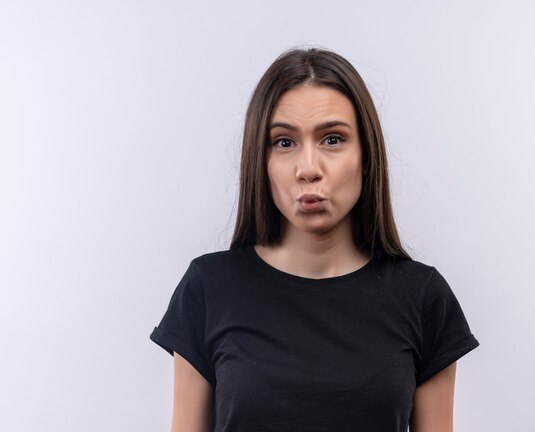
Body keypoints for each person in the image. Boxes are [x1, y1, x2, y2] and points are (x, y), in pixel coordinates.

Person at [150, 47, 479, 432]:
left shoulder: (422, 296)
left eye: (333, 139)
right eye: (284, 142)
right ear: (262, 160)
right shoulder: (208, 288)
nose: (308, 169)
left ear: (366, 156)